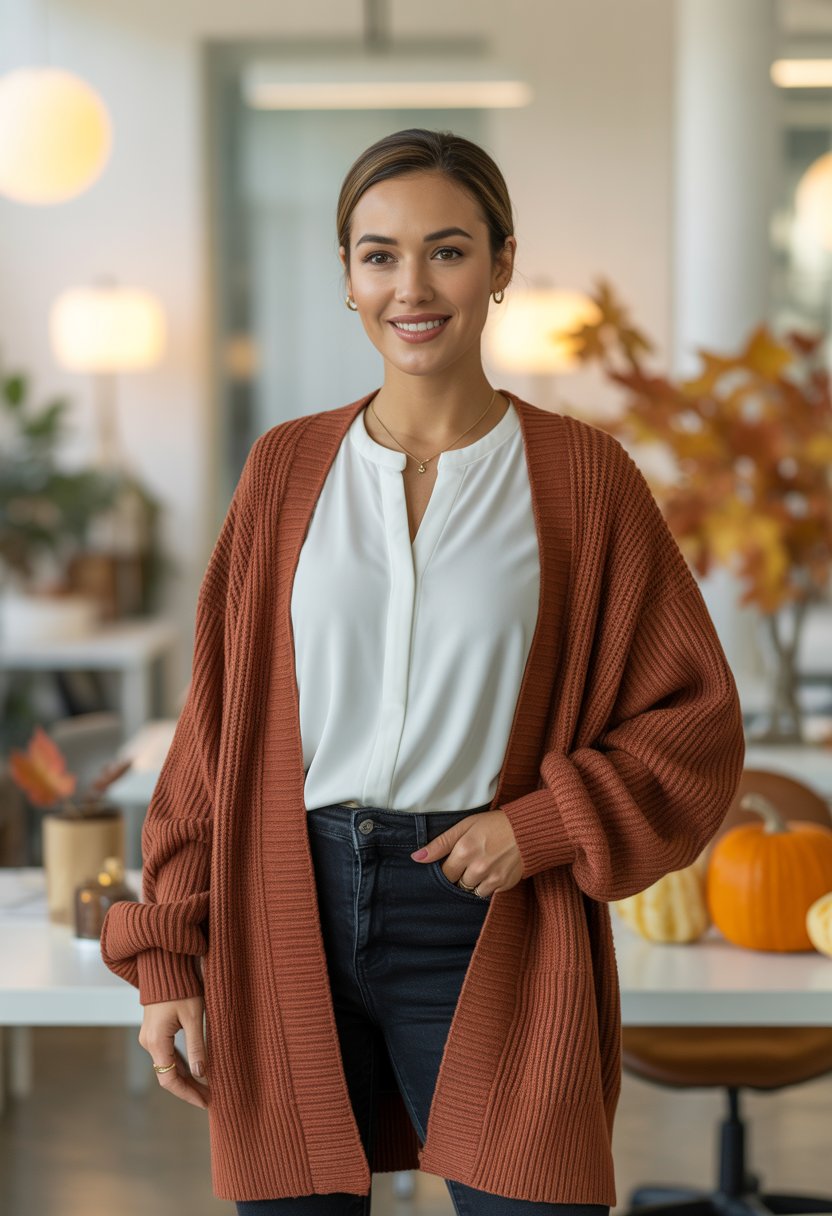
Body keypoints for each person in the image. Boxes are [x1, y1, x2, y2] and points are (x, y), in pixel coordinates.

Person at [101, 128, 746, 1215]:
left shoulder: (585, 482)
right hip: (284, 904)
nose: (411, 286)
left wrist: (537, 824)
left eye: (446, 251)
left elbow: (694, 724)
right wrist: (170, 956)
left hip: (490, 912)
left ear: (500, 265)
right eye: (378, 254)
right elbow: (215, 739)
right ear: (347, 275)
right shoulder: (283, 471)